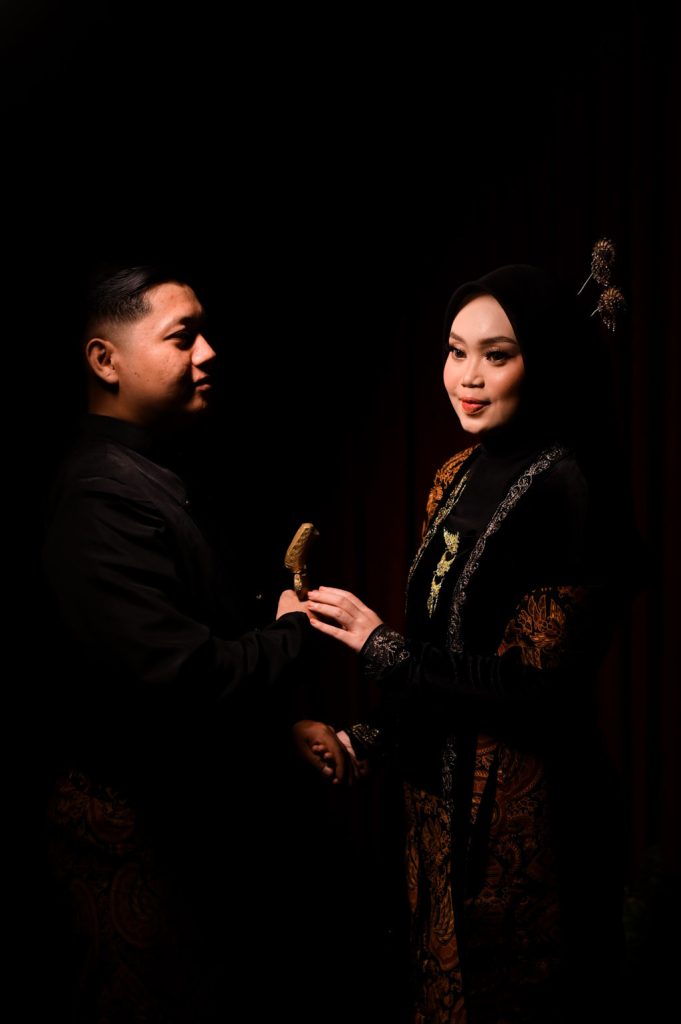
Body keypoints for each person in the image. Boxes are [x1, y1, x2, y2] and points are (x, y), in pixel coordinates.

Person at [293, 263, 646, 1024]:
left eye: (498, 355)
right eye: (456, 351)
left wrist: (380, 648)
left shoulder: (572, 491)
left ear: (542, 362)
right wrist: (363, 741)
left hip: (524, 826)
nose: (468, 378)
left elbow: (536, 688)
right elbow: (441, 653)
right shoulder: (455, 473)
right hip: (433, 808)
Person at [39, 264, 312, 1022]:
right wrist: (293, 632)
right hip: (139, 846)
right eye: (182, 337)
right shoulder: (103, 494)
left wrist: (285, 725)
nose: (209, 352)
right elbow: (185, 676)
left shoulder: (151, 471)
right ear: (105, 360)